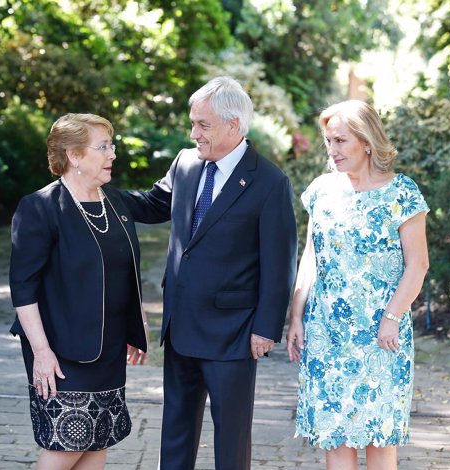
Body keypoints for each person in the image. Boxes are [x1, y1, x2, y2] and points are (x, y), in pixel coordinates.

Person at [122, 76, 298, 470]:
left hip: (233, 334)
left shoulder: (269, 182)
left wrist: (267, 328)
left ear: (234, 125)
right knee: (176, 433)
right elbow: (152, 205)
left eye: (203, 124)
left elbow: (280, 262)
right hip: (181, 324)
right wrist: (95, 188)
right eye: (192, 123)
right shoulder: (185, 163)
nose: (193, 132)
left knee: (231, 441)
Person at [8, 113, 165, 470]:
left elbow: (158, 207)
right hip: (60, 353)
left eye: (112, 145)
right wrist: (42, 353)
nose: (112, 154)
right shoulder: (40, 208)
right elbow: (23, 289)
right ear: (75, 155)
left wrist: (133, 320)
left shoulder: (116, 202)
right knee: (65, 446)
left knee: (97, 445)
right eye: (103, 147)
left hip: (109, 350)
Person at [286, 100, 429, 470]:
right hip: (326, 333)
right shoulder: (320, 191)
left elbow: (418, 264)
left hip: (383, 334)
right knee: (335, 436)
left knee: (380, 437)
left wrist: (392, 317)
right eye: (328, 141)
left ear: (366, 142)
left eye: (340, 141)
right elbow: (311, 257)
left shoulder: (402, 193)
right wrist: (296, 316)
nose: (331, 150)